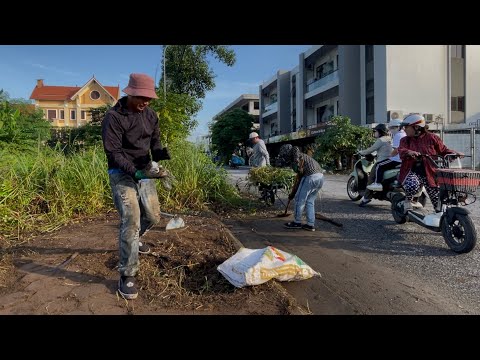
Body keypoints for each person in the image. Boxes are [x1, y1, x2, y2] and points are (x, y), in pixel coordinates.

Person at [101, 73, 171, 300]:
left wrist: (161, 155)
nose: (145, 102)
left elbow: (155, 141)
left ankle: (135, 241)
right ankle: (127, 274)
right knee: (130, 220)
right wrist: (135, 172)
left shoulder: (151, 115)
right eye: (141, 97)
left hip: (144, 170)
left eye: (149, 98)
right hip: (121, 173)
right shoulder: (114, 117)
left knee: (152, 216)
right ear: (129, 93)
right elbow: (113, 152)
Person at [397, 114, 463, 213]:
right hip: (412, 171)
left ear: (416, 127)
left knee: (438, 201)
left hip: (430, 173)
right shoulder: (405, 140)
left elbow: (443, 150)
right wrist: (409, 152)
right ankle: (408, 200)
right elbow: (401, 150)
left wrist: (454, 153)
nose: (404, 129)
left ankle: (441, 218)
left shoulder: (432, 138)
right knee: (412, 185)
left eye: (406, 127)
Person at [278, 144, 324, 231]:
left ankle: (297, 222)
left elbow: (295, 149)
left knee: (299, 200)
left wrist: (293, 194)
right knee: (310, 201)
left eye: (285, 155)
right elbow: (299, 178)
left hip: (311, 177)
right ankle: (310, 224)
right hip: (320, 177)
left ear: (288, 153)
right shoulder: (303, 157)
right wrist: (293, 193)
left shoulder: (296, 154)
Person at [366, 119, 407, 192]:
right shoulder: (404, 134)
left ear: (398, 127)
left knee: (379, 165)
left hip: (397, 160)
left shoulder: (398, 135)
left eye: (392, 128)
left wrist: (390, 156)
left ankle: (377, 183)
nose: (391, 130)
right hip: (403, 160)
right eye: (390, 128)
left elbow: (396, 149)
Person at [358, 123, 393, 207]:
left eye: (376, 131)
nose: (375, 133)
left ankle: (366, 198)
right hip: (391, 161)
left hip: (382, 161)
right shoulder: (390, 138)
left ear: (380, 132)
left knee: (371, 178)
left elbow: (371, 149)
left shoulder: (381, 140)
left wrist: (361, 152)